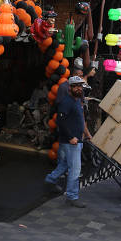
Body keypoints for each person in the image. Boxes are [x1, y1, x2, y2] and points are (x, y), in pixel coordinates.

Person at [44, 77, 88, 207]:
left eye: (80, 86)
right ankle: (72, 196)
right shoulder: (66, 102)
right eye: (75, 86)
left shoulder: (77, 101)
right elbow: (60, 121)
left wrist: (85, 134)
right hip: (70, 142)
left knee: (64, 164)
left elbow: (78, 120)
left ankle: (50, 180)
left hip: (74, 140)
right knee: (75, 169)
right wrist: (70, 137)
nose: (79, 88)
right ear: (70, 88)